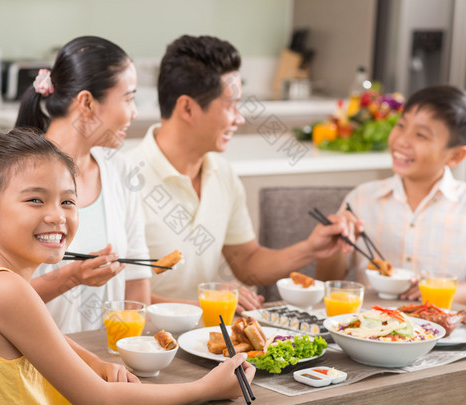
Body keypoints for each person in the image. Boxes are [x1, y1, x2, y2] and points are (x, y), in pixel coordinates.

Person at [0, 129, 255, 404]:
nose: (56, 216)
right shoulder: (6, 290)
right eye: (34, 200)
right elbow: (99, 399)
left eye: (68, 201)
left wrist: (97, 364)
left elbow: (44, 335)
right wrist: (205, 389)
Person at [126, 35, 355, 311]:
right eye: (230, 105)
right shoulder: (124, 180)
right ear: (187, 108)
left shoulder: (222, 174)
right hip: (141, 345)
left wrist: (310, 248)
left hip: (205, 339)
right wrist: (206, 304)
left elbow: (247, 263)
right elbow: (117, 298)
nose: (239, 118)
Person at [16, 36, 150, 333]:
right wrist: (72, 276)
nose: (134, 112)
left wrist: (128, 355)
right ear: (87, 102)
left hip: (109, 364)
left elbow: (137, 280)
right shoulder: (19, 174)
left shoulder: (119, 170)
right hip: (35, 368)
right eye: (128, 98)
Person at [315, 85, 466, 305]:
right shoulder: (363, 198)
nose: (402, 141)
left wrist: (435, 291)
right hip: (369, 330)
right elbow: (325, 280)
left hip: (446, 334)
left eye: (421, 135)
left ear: (456, 156)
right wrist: (337, 241)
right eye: (401, 125)